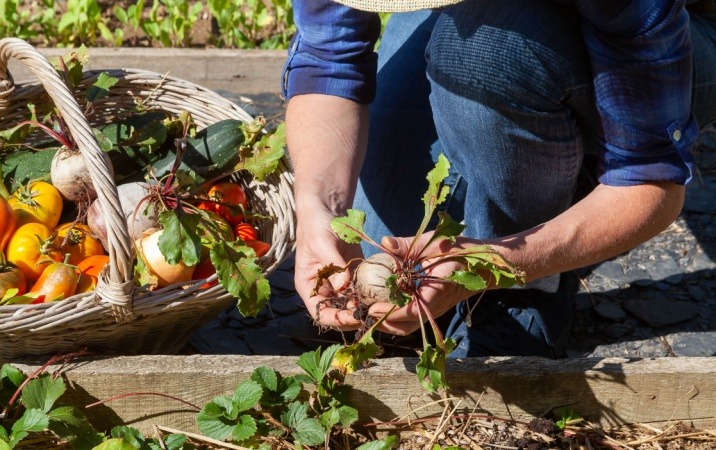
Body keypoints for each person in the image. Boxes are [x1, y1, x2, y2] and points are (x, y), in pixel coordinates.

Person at [283, 0, 716, 357]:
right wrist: (319, 205)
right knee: (382, 236)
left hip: (670, 33)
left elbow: (651, 180)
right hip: (462, 18)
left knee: (487, 55)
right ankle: (535, 157)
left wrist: (491, 262)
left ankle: (529, 286)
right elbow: (328, 58)